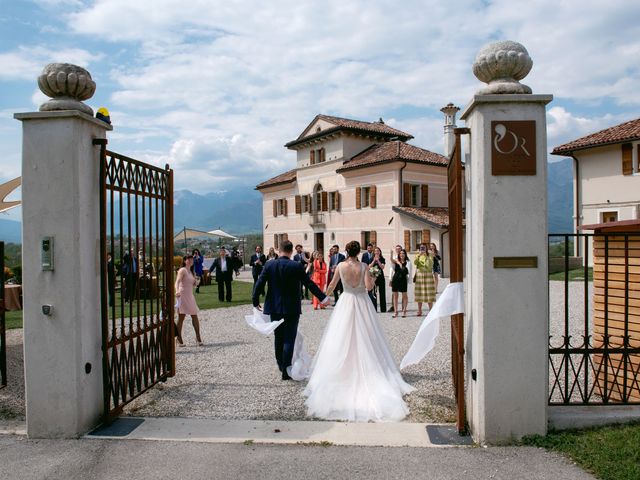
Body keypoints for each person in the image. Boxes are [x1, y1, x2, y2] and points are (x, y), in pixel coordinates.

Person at [304, 240, 414, 421]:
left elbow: (332, 285)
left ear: (346, 251)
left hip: (346, 301)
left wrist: (324, 297)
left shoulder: (340, 265)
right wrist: (372, 273)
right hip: (362, 302)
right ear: (358, 251)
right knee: (369, 337)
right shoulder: (364, 266)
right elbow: (369, 287)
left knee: (341, 336)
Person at [252, 240, 329, 380]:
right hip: (292, 307)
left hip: (274, 307)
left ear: (279, 249)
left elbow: (259, 283)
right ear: (291, 251)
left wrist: (255, 301)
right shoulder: (296, 266)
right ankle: (286, 369)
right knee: (289, 338)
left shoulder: (269, 265)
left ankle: (281, 365)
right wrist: (322, 298)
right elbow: (309, 283)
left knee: (278, 336)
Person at [175, 254, 203, 346]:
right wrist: (177, 291)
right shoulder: (182, 270)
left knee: (194, 315)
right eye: (188, 259)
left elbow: (192, 284)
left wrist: (196, 282)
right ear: (184, 260)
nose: (191, 260)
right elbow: (177, 282)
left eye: (191, 259)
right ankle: (179, 338)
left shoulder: (191, 271)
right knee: (181, 317)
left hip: (190, 296)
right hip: (182, 295)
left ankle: (198, 337)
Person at [413, 243, 436, 316]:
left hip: (428, 275)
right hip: (420, 275)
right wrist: (419, 255)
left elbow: (430, 265)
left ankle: (431, 310)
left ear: (426, 248)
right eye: (421, 248)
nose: (422, 249)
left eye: (424, 248)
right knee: (419, 293)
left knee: (429, 293)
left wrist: (427, 256)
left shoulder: (430, 255)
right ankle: (419, 310)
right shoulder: (417, 255)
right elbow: (415, 263)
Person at [390, 248, 410, 318]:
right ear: (399, 254)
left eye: (403, 253)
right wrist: (391, 253)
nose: (402, 254)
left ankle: (404, 311)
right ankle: (395, 311)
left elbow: (408, 271)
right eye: (400, 253)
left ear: (405, 254)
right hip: (395, 279)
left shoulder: (407, 262)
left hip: (403, 280)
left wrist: (401, 264)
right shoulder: (396, 260)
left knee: (404, 295)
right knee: (395, 296)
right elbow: (391, 260)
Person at [360, 243, 378, 308]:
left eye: (370, 248)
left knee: (373, 290)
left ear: (372, 248)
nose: (369, 249)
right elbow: (362, 263)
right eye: (368, 248)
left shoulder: (374, 255)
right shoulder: (364, 255)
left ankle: (374, 306)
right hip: (366, 273)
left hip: (373, 273)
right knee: (367, 289)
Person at [372, 246, 387, 312]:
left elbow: (382, 267)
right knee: (373, 293)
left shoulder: (382, 259)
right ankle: (374, 309)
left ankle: (383, 309)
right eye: (375, 251)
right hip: (373, 276)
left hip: (381, 276)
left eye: (378, 251)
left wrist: (378, 260)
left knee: (382, 292)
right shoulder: (371, 258)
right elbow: (369, 266)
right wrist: (374, 260)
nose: (377, 252)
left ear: (380, 252)